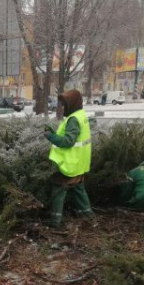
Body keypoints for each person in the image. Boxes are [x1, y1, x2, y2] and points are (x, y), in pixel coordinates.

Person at [43, 89, 94, 227]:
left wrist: (50, 137)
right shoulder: (80, 115)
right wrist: (54, 133)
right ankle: (88, 216)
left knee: (58, 189)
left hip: (69, 164)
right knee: (78, 188)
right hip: (79, 163)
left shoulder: (73, 120)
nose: (64, 107)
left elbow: (68, 142)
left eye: (65, 104)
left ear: (72, 103)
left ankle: (55, 221)